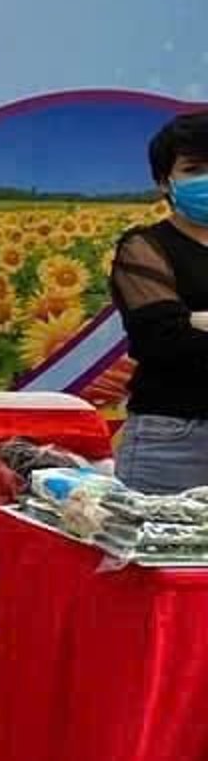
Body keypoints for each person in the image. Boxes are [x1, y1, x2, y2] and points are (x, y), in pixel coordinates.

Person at [108, 112, 208, 493]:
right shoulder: (144, 247)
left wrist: (195, 320)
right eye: (194, 168)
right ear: (165, 180)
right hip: (174, 438)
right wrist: (184, 327)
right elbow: (162, 341)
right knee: (155, 551)